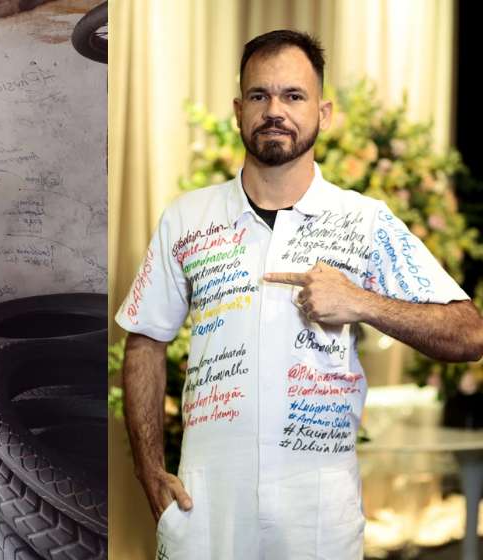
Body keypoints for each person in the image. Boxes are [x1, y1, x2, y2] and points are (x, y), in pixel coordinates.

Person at [115, 30, 483, 560]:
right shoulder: (186, 218)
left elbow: (470, 333)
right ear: (239, 110)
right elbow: (145, 340)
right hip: (208, 503)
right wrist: (148, 471)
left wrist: (362, 302)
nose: (274, 110)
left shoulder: (364, 221)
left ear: (323, 112)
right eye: (260, 96)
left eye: (293, 95)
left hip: (319, 510)